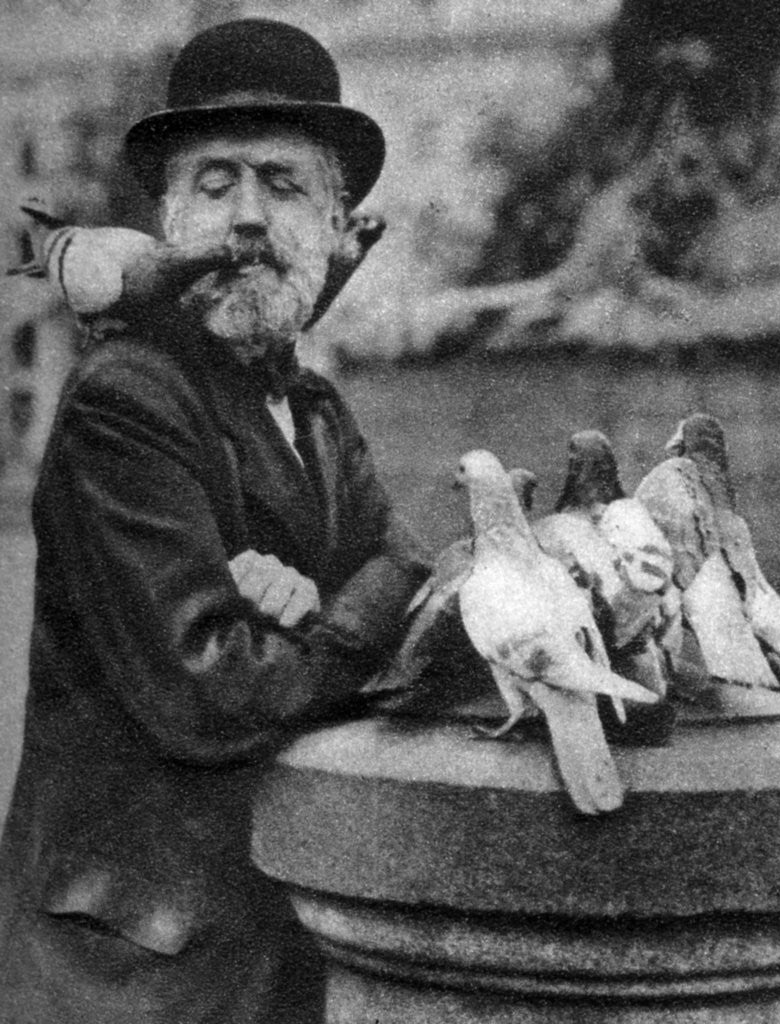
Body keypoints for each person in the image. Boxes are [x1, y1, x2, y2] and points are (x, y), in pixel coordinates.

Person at [0, 18, 430, 1024]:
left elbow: (401, 561)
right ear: (167, 220)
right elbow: (211, 688)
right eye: (214, 183)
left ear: (333, 223)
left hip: (277, 938)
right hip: (132, 975)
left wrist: (311, 611)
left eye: (281, 184)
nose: (246, 218)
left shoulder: (314, 411)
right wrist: (353, 612)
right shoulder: (129, 398)